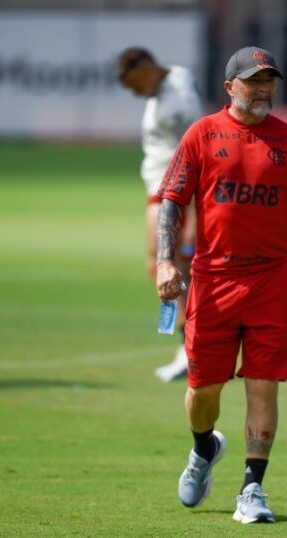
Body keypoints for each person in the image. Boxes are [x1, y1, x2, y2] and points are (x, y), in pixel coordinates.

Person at [154, 46, 287, 523]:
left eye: (269, 79)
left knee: (263, 388)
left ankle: (252, 489)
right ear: (230, 86)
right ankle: (203, 448)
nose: (263, 88)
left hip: (271, 281)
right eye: (253, 80)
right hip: (213, 281)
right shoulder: (202, 134)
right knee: (203, 391)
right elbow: (172, 200)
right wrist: (167, 261)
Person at [116, 47, 203, 382]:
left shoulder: (178, 100)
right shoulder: (173, 81)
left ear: (148, 68)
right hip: (162, 189)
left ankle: (189, 348)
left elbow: (195, 152)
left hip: (176, 194)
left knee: (174, 268)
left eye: (134, 83)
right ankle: (189, 347)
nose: (134, 92)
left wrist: (193, 213)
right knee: (166, 266)